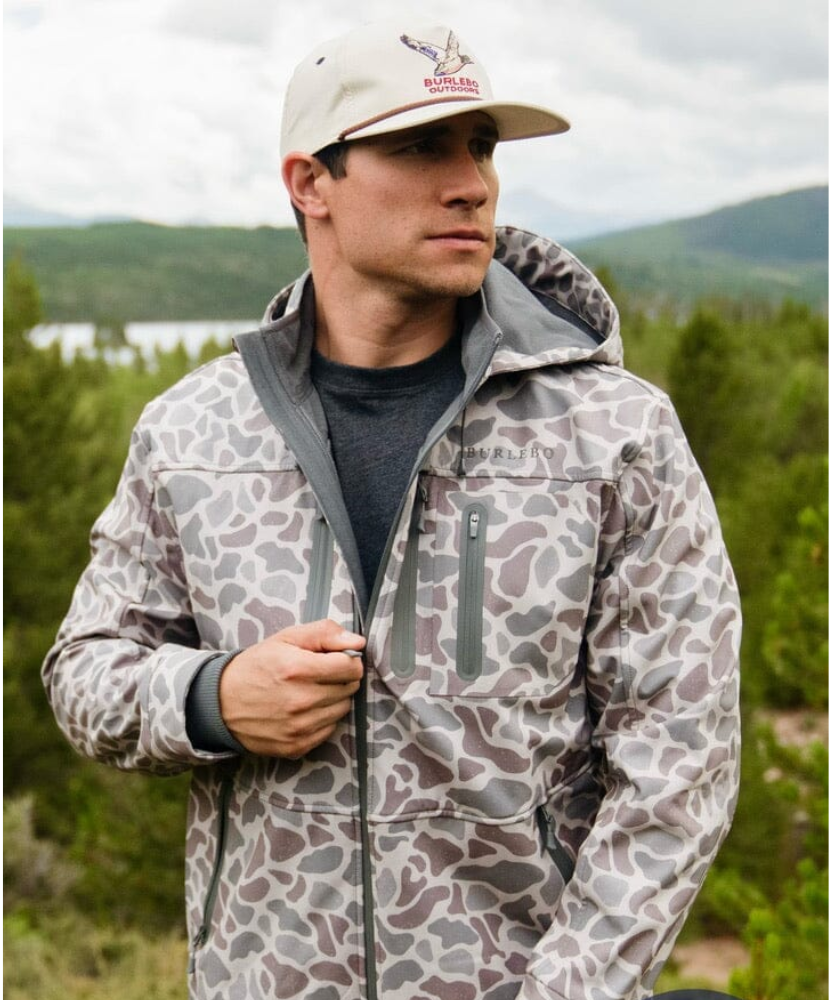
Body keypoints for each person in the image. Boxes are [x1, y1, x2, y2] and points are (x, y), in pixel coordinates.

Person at [42, 16, 741, 1000]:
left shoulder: (614, 439)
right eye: (419, 146)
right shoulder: (191, 433)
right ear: (309, 183)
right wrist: (213, 696)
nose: (472, 181)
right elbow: (84, 667)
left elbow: (678, 770)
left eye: (480, 145)